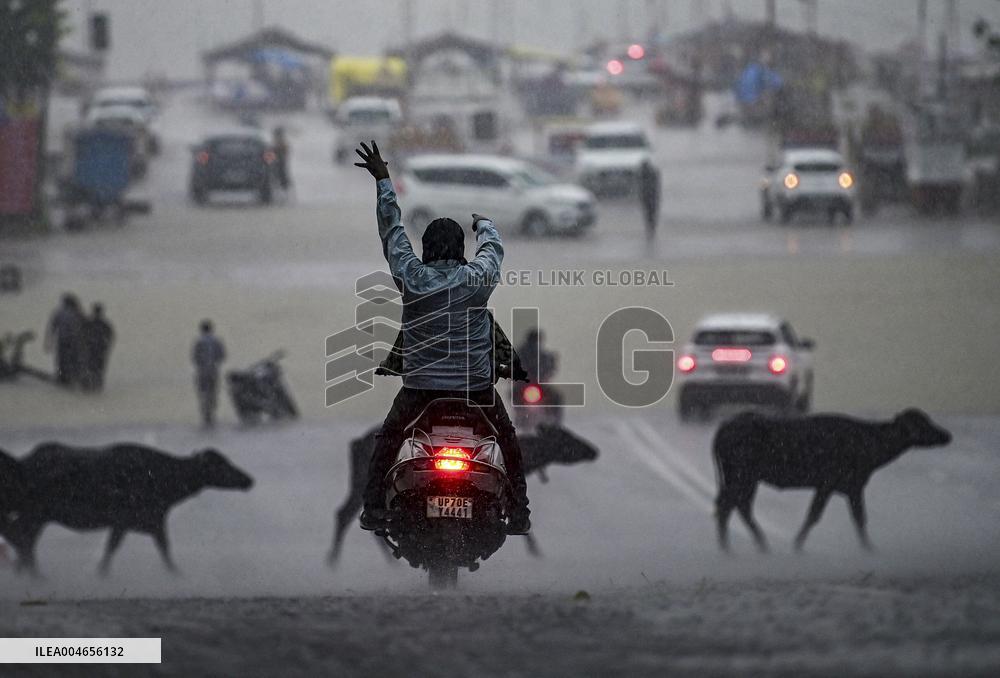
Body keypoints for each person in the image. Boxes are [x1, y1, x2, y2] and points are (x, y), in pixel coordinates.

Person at [353, 140, 531, 534]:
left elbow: (392, 231)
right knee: (508, 440)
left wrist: (384, 180)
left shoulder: (412, 278)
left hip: (419, 390)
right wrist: (486, 224)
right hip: (475, 390)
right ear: (460, 250)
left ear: (427, 249)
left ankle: (373, 509)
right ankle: (519, 512)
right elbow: (494, 250)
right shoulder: (476, 280)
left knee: (387, 442)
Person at [44, 293, 85, 387]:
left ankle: (62, 377)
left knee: (61, 359)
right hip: (74, 340)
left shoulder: (59, 313)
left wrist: (48, 341)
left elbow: (52, 327)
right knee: (74, 359)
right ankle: (73, 377)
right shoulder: (77, 312)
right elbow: (84, 327)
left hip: (62, 339)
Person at [191, 320, 226, 427]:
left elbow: (194, 357)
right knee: (213, 392)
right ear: (211, 329)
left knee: (202, 393)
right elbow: (222, 355)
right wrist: (215, 363)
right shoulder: (217, 341)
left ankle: (206, 415)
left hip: (201, 371)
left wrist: (201, 364)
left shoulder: (198, 341)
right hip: (213, 370)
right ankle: (212, 415)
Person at [81, 303, 115, 391]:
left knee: (91, 366)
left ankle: (91, 385)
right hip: (97, 349)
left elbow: (81, 334)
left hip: (94, 349)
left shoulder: (89, 323)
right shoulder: (104, 324)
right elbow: (110, 336)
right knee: (96, 367)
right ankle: (95, 385)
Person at [638, 159, 661, 242]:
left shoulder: (646, 174)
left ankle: (651, 229)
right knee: (651, 214)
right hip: (650, 197)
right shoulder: (649, 174)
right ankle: (651, 229)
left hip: (649, 197)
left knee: (649, 214)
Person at [272, 126, 291, 191]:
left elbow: (285, 153)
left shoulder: (282, 144)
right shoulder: (275, 144)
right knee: (280, 176)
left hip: (281, 164)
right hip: (277, 164)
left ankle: (284, 189)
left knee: (282, 176)